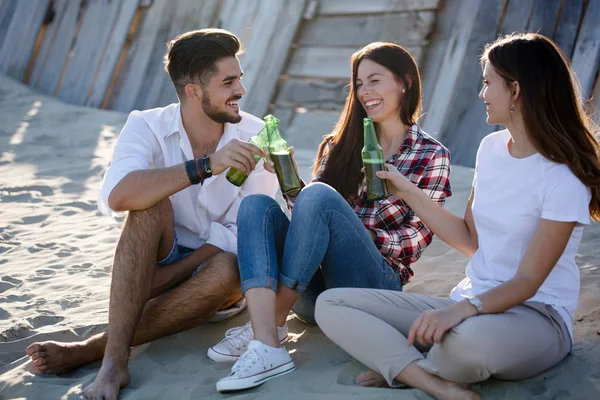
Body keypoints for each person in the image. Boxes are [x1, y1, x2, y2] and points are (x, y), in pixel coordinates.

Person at [314, 33, 600, 400]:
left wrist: (462, 312)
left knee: (463, 346)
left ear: (515, 90)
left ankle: (405, 363)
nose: (481, 94)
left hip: (535, 316)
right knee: (332, 303)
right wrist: (406, 191)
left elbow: (528, 281)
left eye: (487, 83)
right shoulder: (491, 149)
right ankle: (432, 380)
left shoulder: (563, 178)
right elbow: (470, 239)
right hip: (468, 302)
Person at [25, 28, 279, 399]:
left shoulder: (256, 134)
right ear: (194, 91)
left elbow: (247, 230)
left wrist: (163, 279)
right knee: (147, 203)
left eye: (239, 79)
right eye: (229, 82)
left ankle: (91, 349)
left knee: (228, 267)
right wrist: (205, 165)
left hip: (211, 272)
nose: (240, 90)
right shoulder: (146, 125)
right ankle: (114, 363)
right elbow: (117, 195)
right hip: (156, 253)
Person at [211, 42, 452, 392]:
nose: (365, 91)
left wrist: (363, 234)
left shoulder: (431, 154)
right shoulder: (340, 145)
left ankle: (270, 326)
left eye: (374, 80)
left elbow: (416, 241)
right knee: (257, 206)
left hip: (375, 286)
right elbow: (310, 217)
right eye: (359, 84)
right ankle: (270, 329)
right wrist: (289, 179)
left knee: (320, 195)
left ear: (404, 83)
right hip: (315, 297)